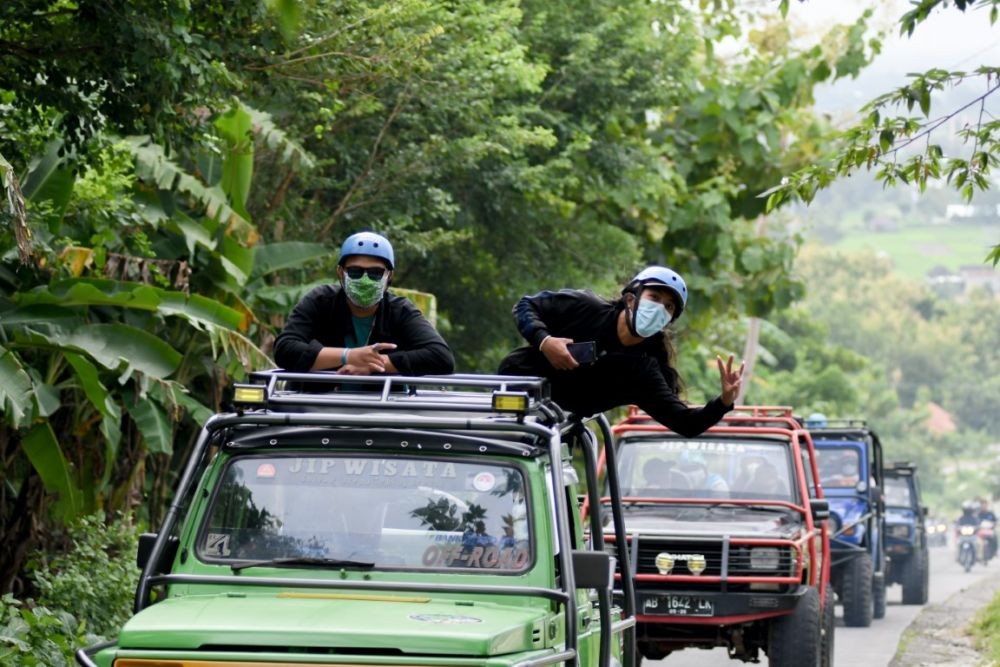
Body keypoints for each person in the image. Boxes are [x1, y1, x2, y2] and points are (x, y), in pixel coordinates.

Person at [497, 266, 744, 437]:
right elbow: (525, 305)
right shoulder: (587, 308)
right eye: (654, 297)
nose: (659, 309)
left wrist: (723, 402)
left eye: (668, 307)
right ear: (630, 299)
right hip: (514, 397)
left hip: (555, 432)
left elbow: (686, 423)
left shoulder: (643, 371)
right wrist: (545, 341)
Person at [273, 231, 455, 375]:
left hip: (381, 411)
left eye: (375, 273)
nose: (365, 280)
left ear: (389, 275)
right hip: (314, 408)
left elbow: (441, 357)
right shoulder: (320, 301)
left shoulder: (400, 311)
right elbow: (285, 349)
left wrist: (375, 364)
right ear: (340, 272)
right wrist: (348, 356)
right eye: (355, 272)